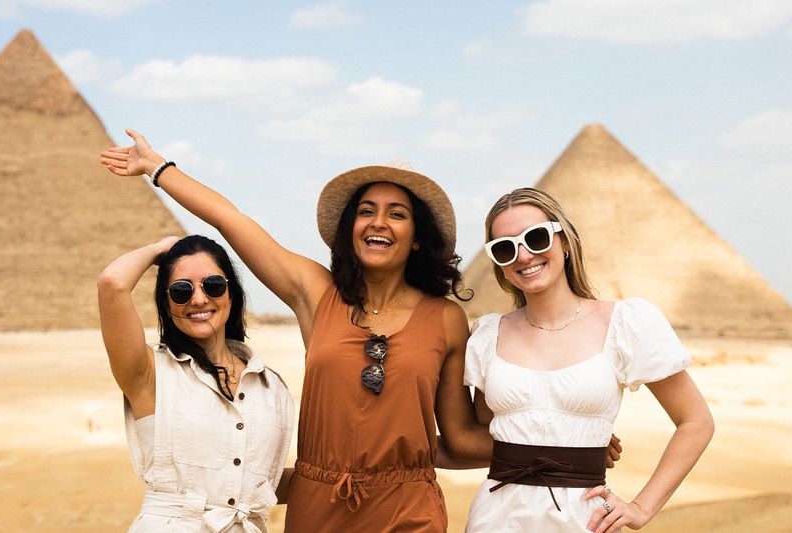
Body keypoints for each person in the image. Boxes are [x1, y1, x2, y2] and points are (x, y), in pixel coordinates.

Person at [100, 130, 486, 532]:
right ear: (350, 228)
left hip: (408, 508)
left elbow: (458, 437)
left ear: (419, 237)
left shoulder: (446, 320)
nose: (379, 222)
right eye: (366, 211)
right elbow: (230, 220)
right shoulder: (316, 293)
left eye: (397, 214)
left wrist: (550, 449)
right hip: (319, 505)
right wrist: (157, 168)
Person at [461, 187, 713, 533]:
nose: (523, 255)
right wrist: (564, 443)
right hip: (496, 517)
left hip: (584, 520)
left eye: (535, 238)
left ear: (564, 241)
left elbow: (696, 421)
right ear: (498, 264)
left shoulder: (626, 323)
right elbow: (488, 436)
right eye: (504, 248)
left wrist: (641, 507)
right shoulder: (487, 335)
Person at [97, 234, 295, 532]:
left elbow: (260, 483)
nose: (199, 299)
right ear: (166, 302)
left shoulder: (272, 387)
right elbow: (112, 283)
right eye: (180, 290)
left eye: (213, 285)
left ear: (232, 292)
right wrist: (159, 250)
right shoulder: (149, 373)